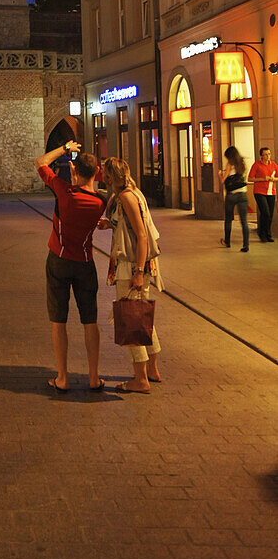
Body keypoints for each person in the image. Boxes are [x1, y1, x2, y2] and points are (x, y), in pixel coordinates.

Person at [35, 139, 107, 393]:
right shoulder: (100, 203)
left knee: (59, 321)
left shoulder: (64, 192)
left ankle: (63, 377)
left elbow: (41, 163)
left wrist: (66, 149)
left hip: (59, 260)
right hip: (86, 263)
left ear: (74, 171)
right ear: (96, 174)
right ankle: (94, 377)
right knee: (90, 320)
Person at [100, 157, 164, 394]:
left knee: (130, 319)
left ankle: (140, 379)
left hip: (131, 265)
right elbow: (131, 228)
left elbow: (142, 235)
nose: (103, 179)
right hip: (138, 263)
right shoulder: (133, 192)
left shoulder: (126, 197)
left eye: (105, 175)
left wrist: (138, 272)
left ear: (110, 177)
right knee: (142, 315)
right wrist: (111, 225)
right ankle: (152, 369)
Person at [218, 146, 249, 252]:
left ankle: (227, 241)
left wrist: (220, 175)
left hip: (231, 195)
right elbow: (244, 177)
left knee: (228, 219)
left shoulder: (229, 165)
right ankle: (246, 245)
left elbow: (223, 180)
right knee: (244, 221)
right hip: (243, 194)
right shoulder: (243, 164)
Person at [248, 147, 277, 243]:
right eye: (265, 154)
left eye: (269, 154)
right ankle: (262, 233)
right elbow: (250, 179)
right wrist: (262, 178)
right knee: (265, 212)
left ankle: (268, 234)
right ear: (261, 156)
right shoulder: (256, 165)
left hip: (271, 191)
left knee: (270, 214)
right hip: (259, 191)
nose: (268, 156)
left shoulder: (273, 165)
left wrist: (274, 179)